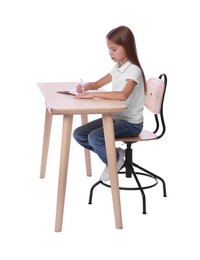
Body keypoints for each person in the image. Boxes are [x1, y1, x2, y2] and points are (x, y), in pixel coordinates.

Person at [73, 25, 146, 182]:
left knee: (95, 138)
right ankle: (116, 155)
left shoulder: (134, 70)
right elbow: (98, 83)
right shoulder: (118, 67)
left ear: (126, 46)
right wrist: (85, 87)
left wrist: (93, 97)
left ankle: (113, 161)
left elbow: (123, 95)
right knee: (79, 134)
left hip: (131, 123)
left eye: (113, 49)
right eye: (109, 49)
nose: (110, 53)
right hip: (116, 118)